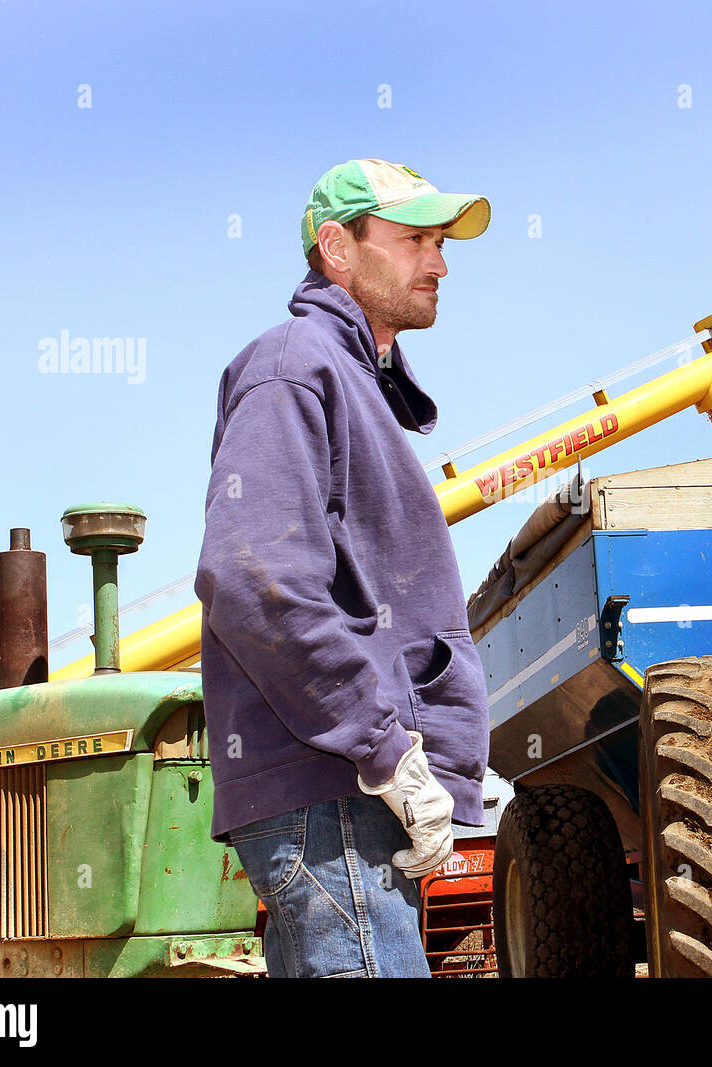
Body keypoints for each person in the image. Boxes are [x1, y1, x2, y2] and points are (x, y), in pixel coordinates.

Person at [194, 159, 493, 978]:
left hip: (345, 797)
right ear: (338, 247)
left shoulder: (351, 382)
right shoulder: (295, 363)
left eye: (441, 243)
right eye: (413, 241)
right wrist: (384, 746)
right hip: (333, 799)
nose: (438, 264)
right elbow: (251, 572)